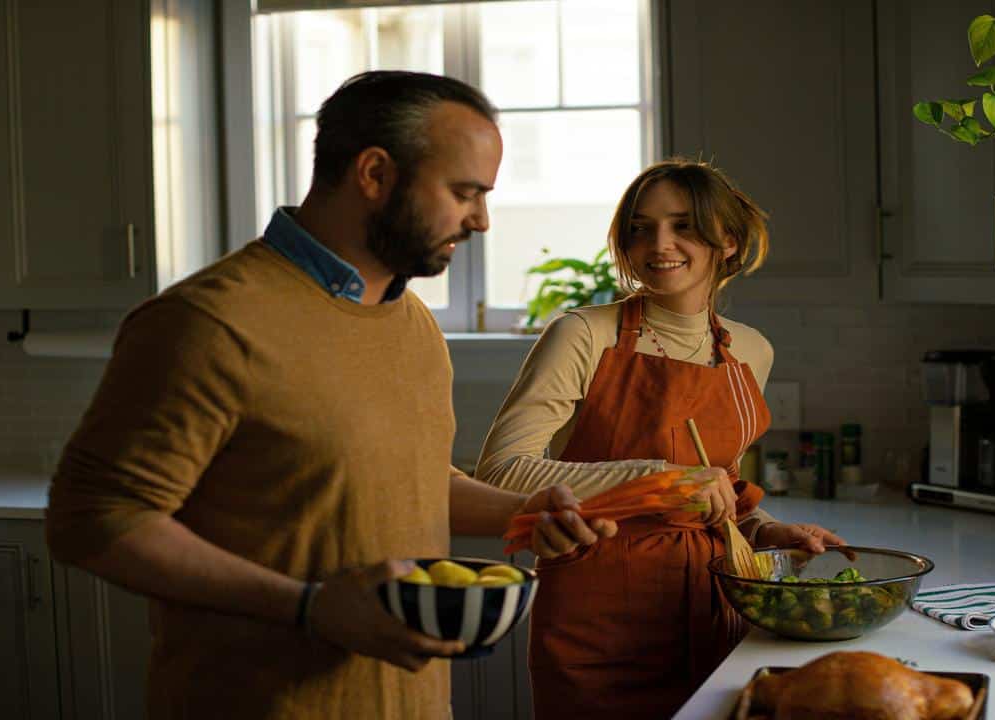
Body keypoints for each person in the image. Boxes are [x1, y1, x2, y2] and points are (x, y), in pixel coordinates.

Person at [44, 71, 611, 720]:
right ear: (374, 173)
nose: (481, 219)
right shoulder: (209, 321)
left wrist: (525, 511)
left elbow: (407, 480)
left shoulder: (413, 323)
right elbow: (92, 519)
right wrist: (309, 605)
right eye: (464, 192)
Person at [476, 158, 850, 719]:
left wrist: (764, 530)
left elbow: (718, 489)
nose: (659, 243)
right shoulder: (583, 335)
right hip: (596, 620)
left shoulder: (751, 351)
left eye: (683, 225)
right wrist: (657, 477)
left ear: (726, 240)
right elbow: (502, 471)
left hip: (710, 611)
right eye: (641, 227)